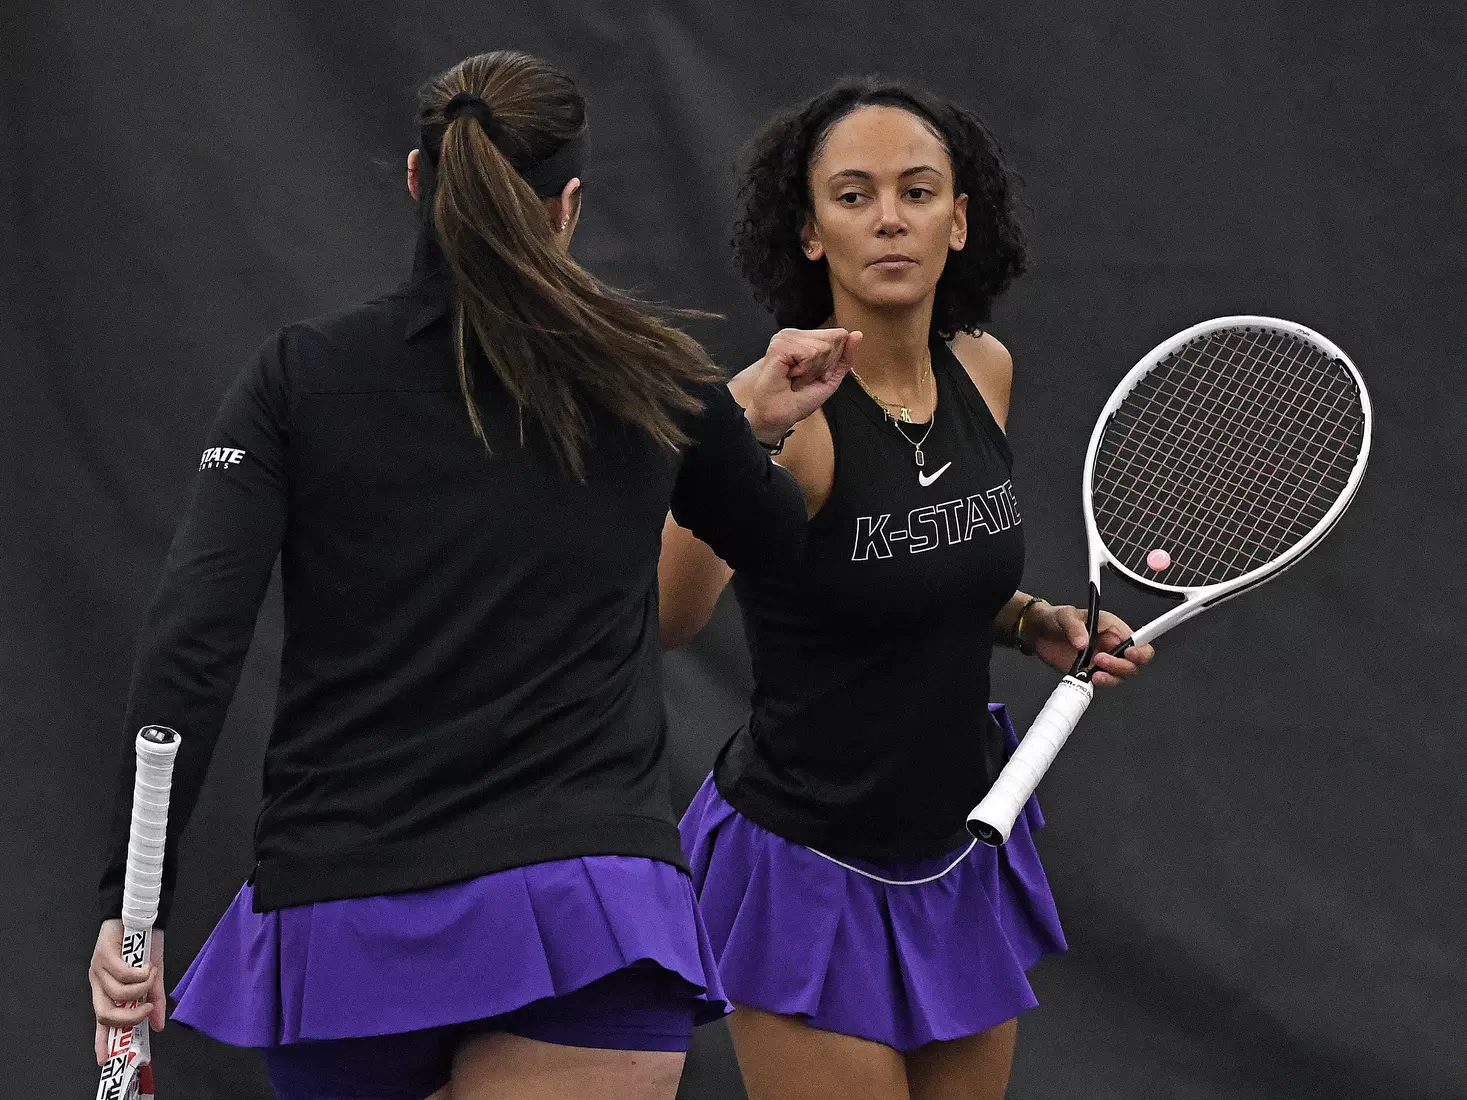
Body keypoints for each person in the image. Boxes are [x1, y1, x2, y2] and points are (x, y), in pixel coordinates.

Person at [88, 50, 852, 1100]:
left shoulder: (295, 378)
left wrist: (135, 916)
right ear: (568, 204)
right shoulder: (654, 374)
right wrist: (737, 425)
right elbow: (773, 539)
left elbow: (192, 644)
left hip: (341, 923)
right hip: (588, 907)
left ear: (416, 179)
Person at [660, 78, 1156, 1100]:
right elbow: (665, 616)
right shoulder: (788, 421)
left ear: (959, 219)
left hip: (959, 845)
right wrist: (737, 427)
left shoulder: (984, 370)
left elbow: (921, 570)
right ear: (808, 233)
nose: (889, 216)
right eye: (852, 195)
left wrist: (1033, 621)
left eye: (917, 190)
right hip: (807, 865)